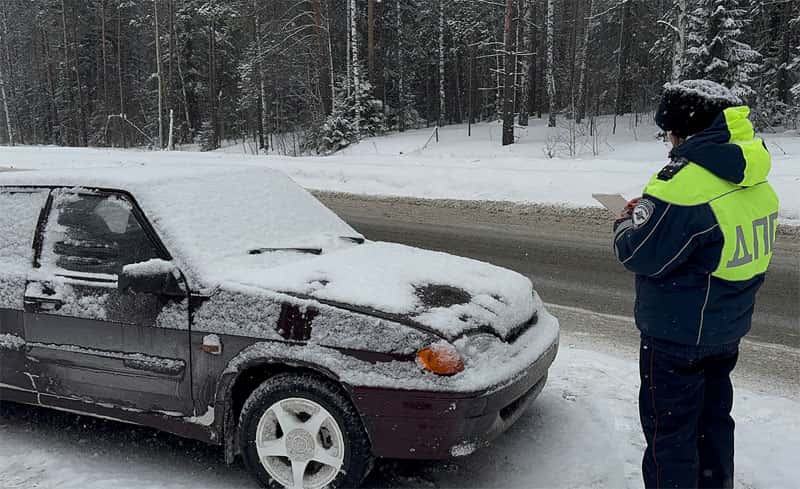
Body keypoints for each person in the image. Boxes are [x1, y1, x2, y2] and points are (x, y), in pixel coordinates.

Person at [613, 80, 780, 489]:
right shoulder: (754, 175)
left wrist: (623, 222)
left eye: (669, 132)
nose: (668, 142)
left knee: (670, 436)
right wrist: (657, 217)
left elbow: (639, 253)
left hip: (676, 335)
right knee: (713, 424)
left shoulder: (683, 185)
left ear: (684, 130)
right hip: (727, 329)